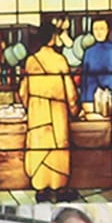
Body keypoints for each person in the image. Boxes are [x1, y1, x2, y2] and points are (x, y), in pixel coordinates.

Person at [18, 20, 80, 202]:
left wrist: (29, 106)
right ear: (52, 38)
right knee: (58, 147)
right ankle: (59, 188)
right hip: (56, 110)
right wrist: (74, 109)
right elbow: (71, 92)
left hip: (37, 110)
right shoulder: (60, 60)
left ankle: (41, 189)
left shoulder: (31, 61)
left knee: (38, 147)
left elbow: (23, 91)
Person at [79, 20, 112, 106]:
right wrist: (83, 101)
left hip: (110, 98)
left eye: (102, 29)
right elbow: (84, 80)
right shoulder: (88, 53)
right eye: (95, 29)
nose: (99, 32)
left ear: (107, 30)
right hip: (90, 100)